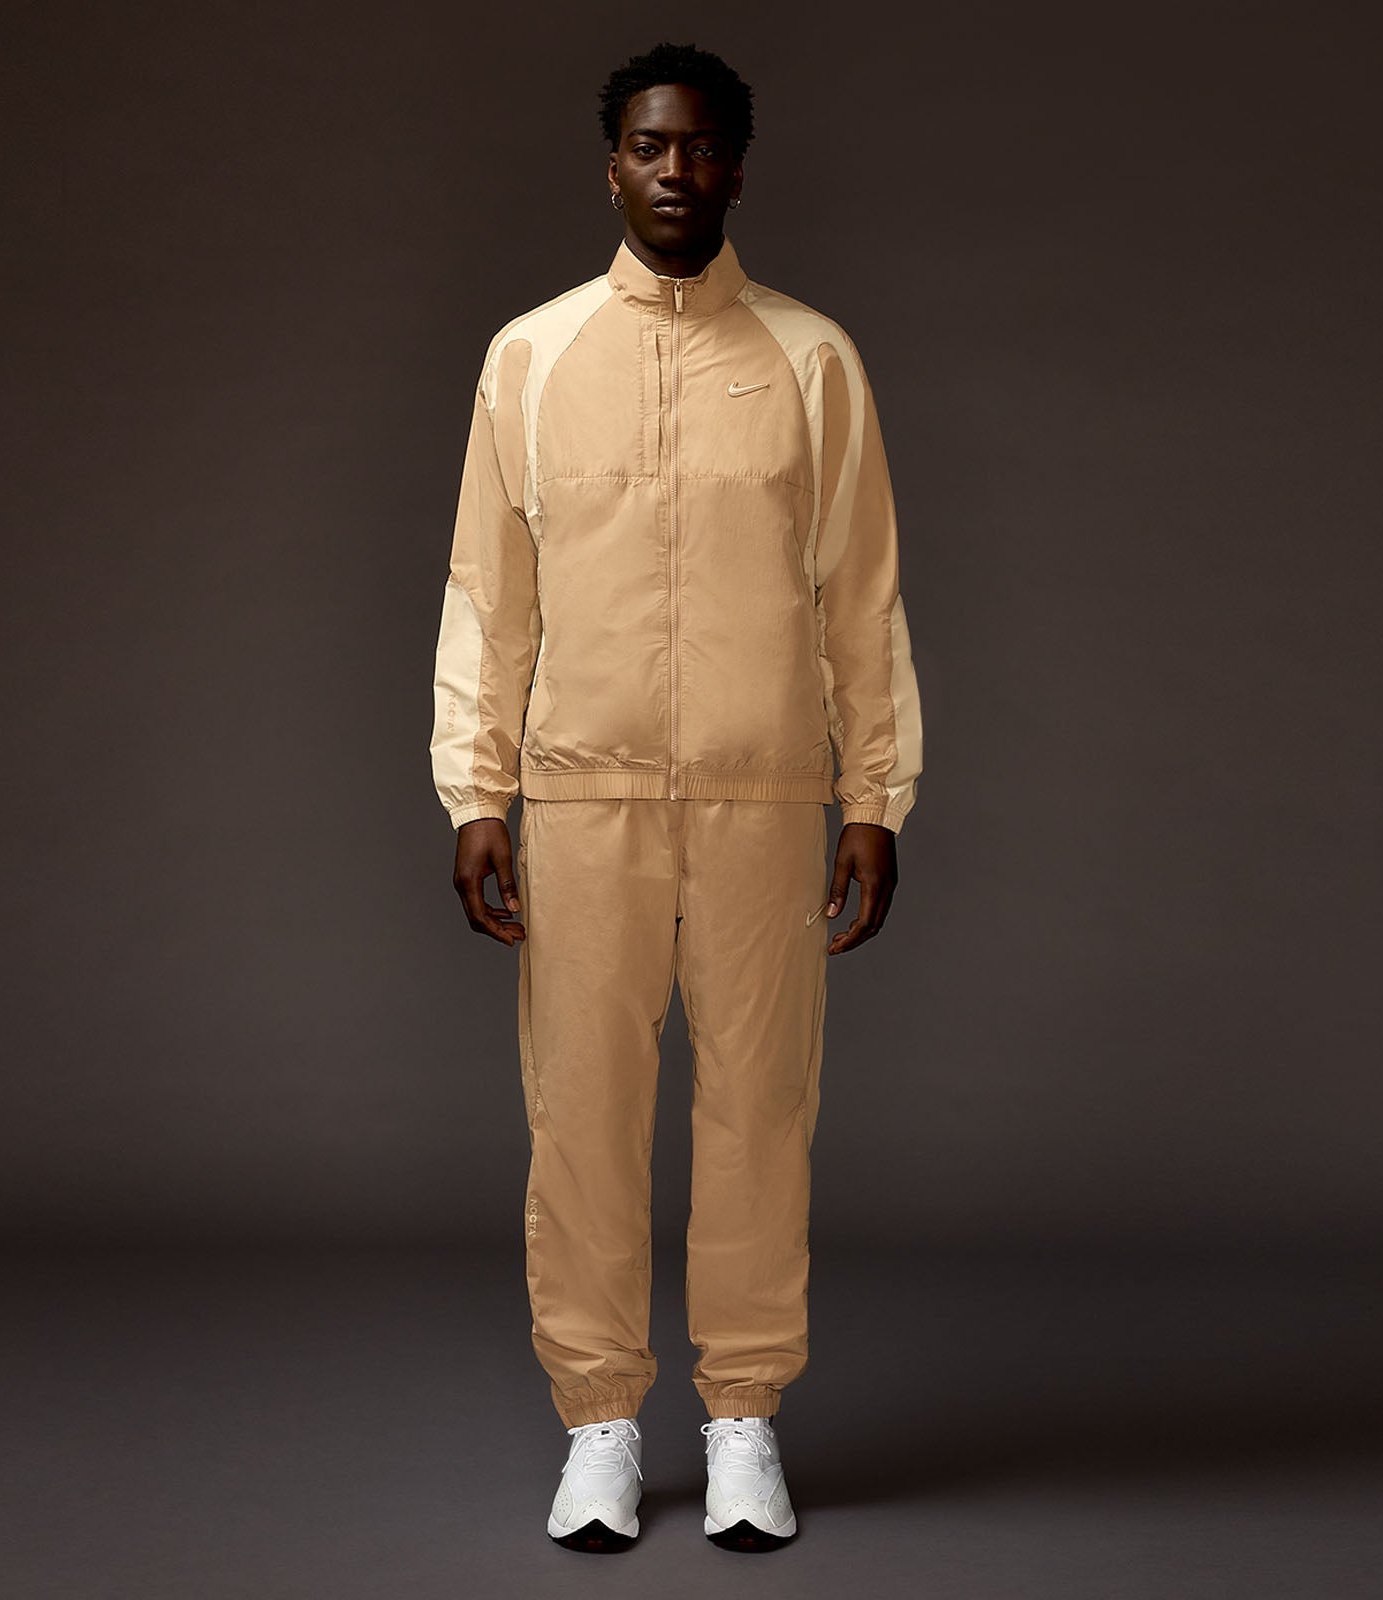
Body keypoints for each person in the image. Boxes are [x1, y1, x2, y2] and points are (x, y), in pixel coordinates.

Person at [428, 40, 923, 1554]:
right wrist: (476, 791)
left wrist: (875, 794)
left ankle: (744, 1416)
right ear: (611, 166)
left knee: (761, 1108)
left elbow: (861, 596)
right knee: (579, 1114)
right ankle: (598, 1424)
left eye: (701, 147)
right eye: (650, 146)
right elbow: (487, 594)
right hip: (582, 797)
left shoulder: (812, 361)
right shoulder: (533, 358)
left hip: (766, 794)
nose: (675, 171)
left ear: (738, 169)